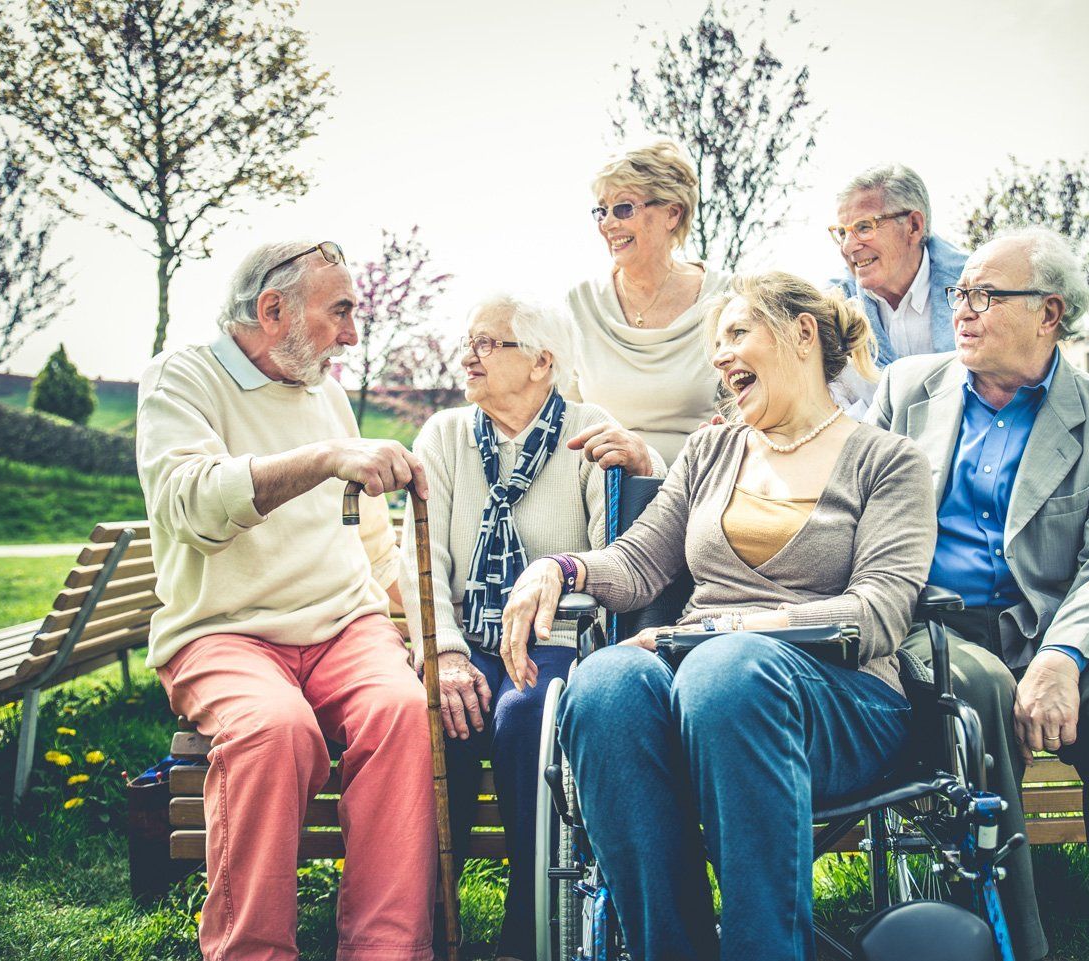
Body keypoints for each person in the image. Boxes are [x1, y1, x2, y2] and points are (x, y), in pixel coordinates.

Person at [502, 273, 935, 961]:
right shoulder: (710, 450)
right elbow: (640, 562)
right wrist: (559, 568)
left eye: (737, 333)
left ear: (801, 333)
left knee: (728, 671)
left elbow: (877, 612)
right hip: (703, 685)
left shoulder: (889, 461)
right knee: (607, 685)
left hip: (838, 702)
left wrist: (722, 631)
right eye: (715, 342)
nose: (720, 355)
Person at [870, 227, 1089, 961]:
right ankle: (1015, 946)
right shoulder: (906, 390)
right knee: (977, 690)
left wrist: (1063, 658)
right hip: (938, 629)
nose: (964, 311)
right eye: (960, 295)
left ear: (1048, 314)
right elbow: (845, 498)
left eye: (985, 295)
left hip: (1053, 626)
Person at [137, 240, 437, 961]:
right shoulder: (182, 381)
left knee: (401, 713)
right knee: (275, 731)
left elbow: (367, 537)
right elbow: (192, 504)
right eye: (340, 312)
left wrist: (425, 635)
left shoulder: (327, 392)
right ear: (273, 311)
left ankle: (385, 952)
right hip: (224, 632)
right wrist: (327, 457)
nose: (353, 335)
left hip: (343, 627)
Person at [397, 294, 661, 961]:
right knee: (435, 713)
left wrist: (638, 467)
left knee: (526, 715)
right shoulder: (445, 436)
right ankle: (422, 928)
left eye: (489, 343)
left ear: (542, 362)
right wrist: (446, 652)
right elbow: (422, 561)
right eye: (470, 341)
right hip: (464, 640)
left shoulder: (588, 429)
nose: (469, 354)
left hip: (555, 641)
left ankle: (531, 925)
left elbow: (620, 553)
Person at [565, 140, 733, 462]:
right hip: (604, 491)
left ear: (672, 213)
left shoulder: (727, 298)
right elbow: (561, 418)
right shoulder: (581, 304)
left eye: (624, 208)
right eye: (602, 210)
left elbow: (751, 413)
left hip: (698, 485)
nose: (608, 223)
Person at [828, 162, 968, 417]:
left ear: (913, 226)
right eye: (841, 232)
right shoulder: (831, 306)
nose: (848, 247)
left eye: (863, 227)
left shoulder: (977, 289)